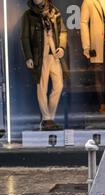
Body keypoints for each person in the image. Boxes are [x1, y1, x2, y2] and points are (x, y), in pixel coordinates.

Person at [21, 0, 68, 131]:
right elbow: (24, 37)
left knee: (58, 85)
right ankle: (46, 118)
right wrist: (28, 56)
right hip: (40, 56)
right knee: (41, 86)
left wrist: (62, 47)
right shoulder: (28, 15)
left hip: (54, 54)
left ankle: (50, 118)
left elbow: (63, 31)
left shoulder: (55, 12)